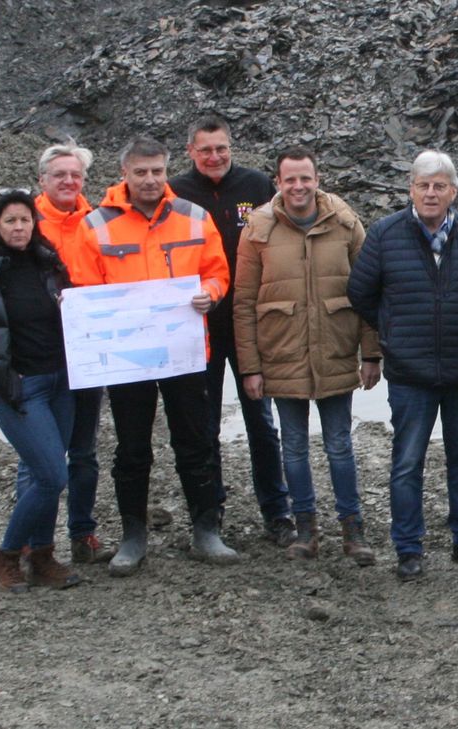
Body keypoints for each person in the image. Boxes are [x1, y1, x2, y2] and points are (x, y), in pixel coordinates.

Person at [71, 136, 240, 576]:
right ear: (124, 173)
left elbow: (217, 271)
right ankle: (133, 535)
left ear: (168, 171)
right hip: (128, 358)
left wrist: (211, 293)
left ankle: (206, 529)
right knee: (131, 447)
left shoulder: (194, 217)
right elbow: (84, 287)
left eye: (158, 172)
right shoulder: (96, 225)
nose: (150, 180)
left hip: (184, 352)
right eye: (141, 172)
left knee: (195, 440)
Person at [348, 150, 458, 581]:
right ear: (410, 188)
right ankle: (409, 548)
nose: (431, 193)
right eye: (423, 185)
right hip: (411, 375)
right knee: (407, 462)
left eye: (440, 185)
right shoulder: (384, 233)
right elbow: (360, 292)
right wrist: (393, 330)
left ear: (453, 191)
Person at [234, 146, 380, 565]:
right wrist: (250, 368)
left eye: (306, 178)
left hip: (335, 348)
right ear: (277, 183)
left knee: (340, 445)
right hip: (282, 352)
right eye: (290, 179)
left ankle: (353, 532)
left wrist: (371, 353)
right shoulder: (257, 228)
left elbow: (368, 290)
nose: (299, 186)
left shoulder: (346, 222)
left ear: (318, 179)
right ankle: (305, 530)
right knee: (293, 446)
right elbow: (243, 303)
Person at [169, 116, 294, 547]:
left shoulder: (257, 186)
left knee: (261, 419)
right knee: (203, 424)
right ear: (191, 152)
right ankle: (211, 511)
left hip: (249, 321)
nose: (214, 156)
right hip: (196, 323)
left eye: (221, 148)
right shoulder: (177, 193)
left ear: (230, 146)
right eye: (205, 150)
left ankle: (277, 511)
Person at [0, 190, 81, 591]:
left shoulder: (48, 264)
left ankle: (42, 558)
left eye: (25, 219)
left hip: (61, 383)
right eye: (10, 220)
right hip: (21, 390)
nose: (19, 227)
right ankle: (7, 557)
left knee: (46, 473)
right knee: (50, 475)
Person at [26, 142, 113, 563]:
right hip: (40, 355)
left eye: (75, 174)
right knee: (39, 455)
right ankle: (33, 540)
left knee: (84, 451)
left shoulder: (97, 222)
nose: (68, 181)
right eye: (59, 174)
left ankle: (82, 534)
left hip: (87, 352)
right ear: (42, 179)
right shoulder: (26, 222)